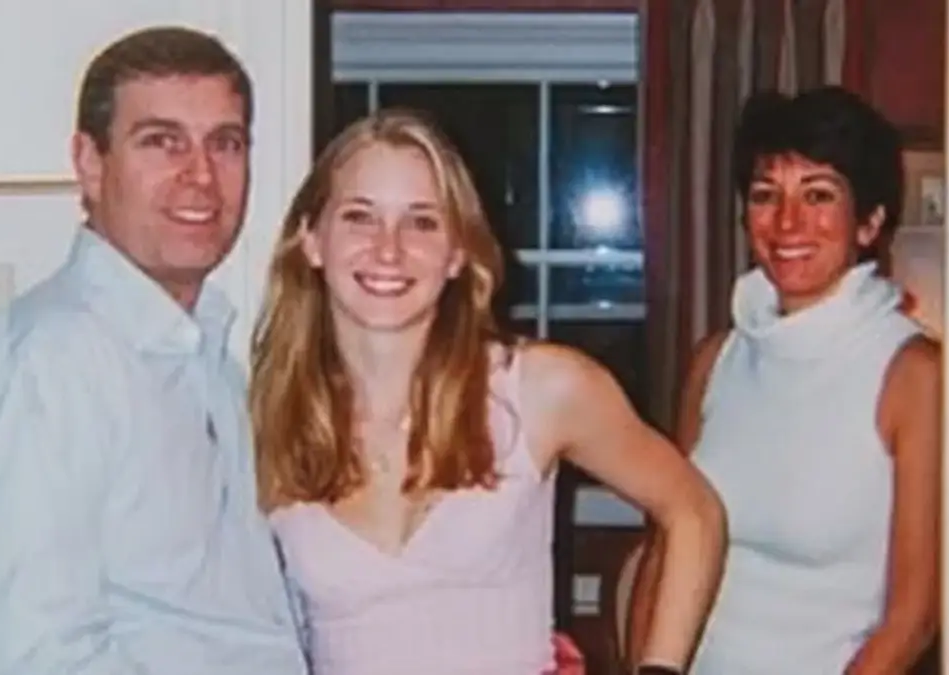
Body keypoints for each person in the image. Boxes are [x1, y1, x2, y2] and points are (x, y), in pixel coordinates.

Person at [249, 108, 727, 675]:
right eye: (359, 217)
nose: (388, 248)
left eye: (422, 222)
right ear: (311, 240)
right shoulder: (265, 419)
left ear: (457, 252)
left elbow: (694, 512)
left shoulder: (540, 388)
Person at [0, 26, 307, 674]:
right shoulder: (51, 362)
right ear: (90, 162)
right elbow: (30, 657)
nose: (201, 176)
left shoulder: (208, 359)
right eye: (162, 141)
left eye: (225, 143)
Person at [627, 86, 942, 674]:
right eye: (765, 195)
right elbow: (666, 547)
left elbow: (913, 617)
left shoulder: (912, 374)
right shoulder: (715, 360)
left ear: (869, 222)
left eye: (818, 195)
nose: (787, 221)